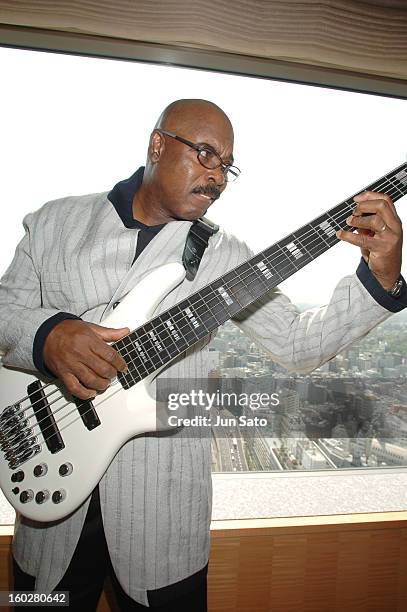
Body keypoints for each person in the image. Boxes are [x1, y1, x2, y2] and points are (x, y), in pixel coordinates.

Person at [0, 98, 405, 611]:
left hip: (162, 516)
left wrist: (382, 276)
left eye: (226, 166)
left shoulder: (226, 255)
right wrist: (48, 335)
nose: (217, 178)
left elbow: (300, 347)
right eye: (206, 155)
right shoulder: (53, 222)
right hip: (46, 499)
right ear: (157, 144)